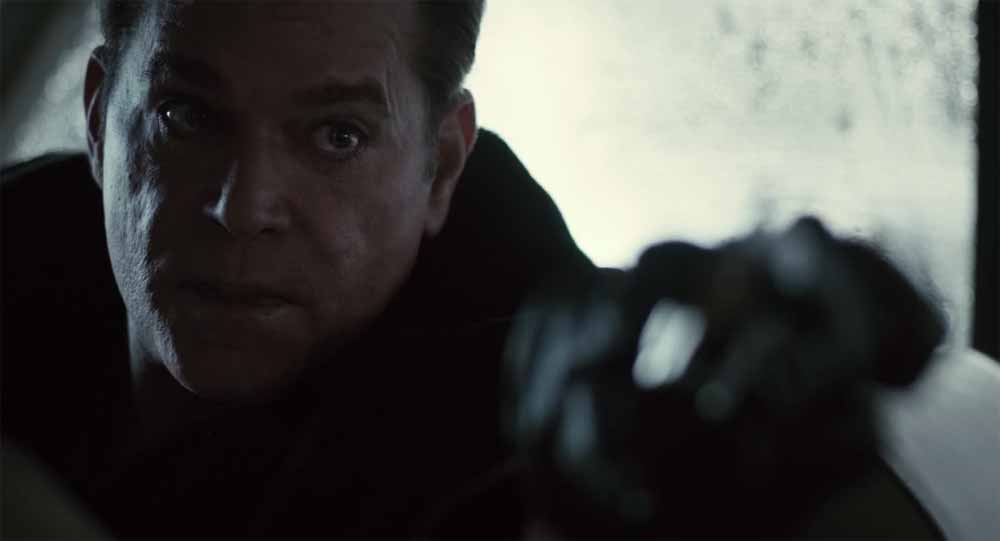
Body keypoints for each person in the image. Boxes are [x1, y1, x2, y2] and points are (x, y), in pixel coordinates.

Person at [0, 1, 958, 538]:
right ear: (99, 117)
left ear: (443, 166)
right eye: (185, 116)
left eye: (337, 136)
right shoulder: (25, 242)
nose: (243, 205)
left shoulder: (528, 413)